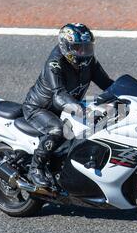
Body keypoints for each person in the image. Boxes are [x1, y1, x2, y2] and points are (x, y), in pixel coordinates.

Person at [23, 23, 114, 188]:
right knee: (58, 130)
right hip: (40, 109)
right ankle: (36, 168)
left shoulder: (89, 62)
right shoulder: (54, 65)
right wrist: (79, 108)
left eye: (87, 47)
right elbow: (58, 95)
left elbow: (107, 83)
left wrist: (130, 93)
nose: (84, 52)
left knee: (100, 121)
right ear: (66, 47)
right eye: (79, 48)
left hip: (68, 106)